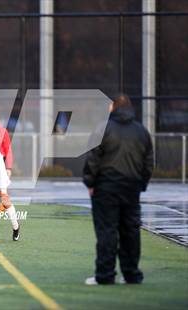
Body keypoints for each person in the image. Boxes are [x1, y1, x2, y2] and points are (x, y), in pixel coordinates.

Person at [83, 94, 154, 285]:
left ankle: (105, 275)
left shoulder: (103, 129)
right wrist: (141, 185)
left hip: (106, 188)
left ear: (112, 107)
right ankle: (131, 274)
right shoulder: (141, 131)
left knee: (107, 231)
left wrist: (90, 183)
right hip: (131, 188)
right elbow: (148, 163)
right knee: (131, 231)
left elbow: (93, 160)